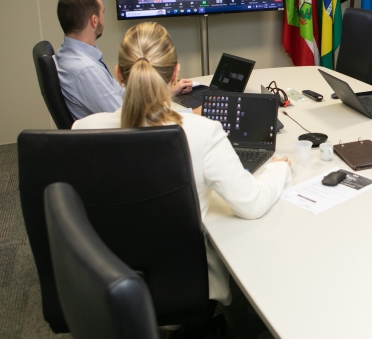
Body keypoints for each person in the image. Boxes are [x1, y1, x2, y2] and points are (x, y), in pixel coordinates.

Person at [72, 22, 293, 305]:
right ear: (176, 72)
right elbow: (252, 205)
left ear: (118, 74)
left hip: (103, 278)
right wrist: (279, 168)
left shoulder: (82, 129)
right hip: (182, 284)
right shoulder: (202, 132)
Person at [54, 0, 192, 119]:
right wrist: (190, 114)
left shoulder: (67, 55)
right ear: (94, 20)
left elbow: (122, 95)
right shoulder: (85, 70)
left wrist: (165, 91)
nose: (104, 18)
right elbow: (131, 118)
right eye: (103, 12)